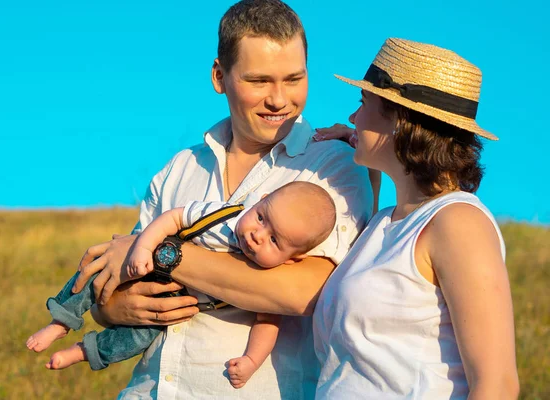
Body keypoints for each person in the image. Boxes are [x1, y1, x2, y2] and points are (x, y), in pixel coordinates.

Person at [71, 1, 373, 398]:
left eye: (294, 79)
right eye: (259, 81)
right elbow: (118, 278)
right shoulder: (180, 167)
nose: (280, 99)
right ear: (219, 76)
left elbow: (302, 291)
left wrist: (169, 253)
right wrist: (108, 309)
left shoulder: (333, 167)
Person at [312, 38, 519, 399]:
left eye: (363, 105)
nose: (352, 118)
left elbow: (497, 384)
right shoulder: (385, 223)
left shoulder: (457, 223)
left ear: (400, 119)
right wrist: (361, 149)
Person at [26, 182, 336, 390]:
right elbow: (174, 218)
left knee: (135, 339)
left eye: (274, 240)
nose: (257, 234)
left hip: (166, 310)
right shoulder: (221, 217)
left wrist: (252, 360)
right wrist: (143, 246)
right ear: (258, 202)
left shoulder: (269, 276)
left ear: (294, 258)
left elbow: (268, 322)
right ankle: (60, 321)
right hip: (143, 268)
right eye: (261, 217)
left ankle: (84, 352)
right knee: (96, 270)